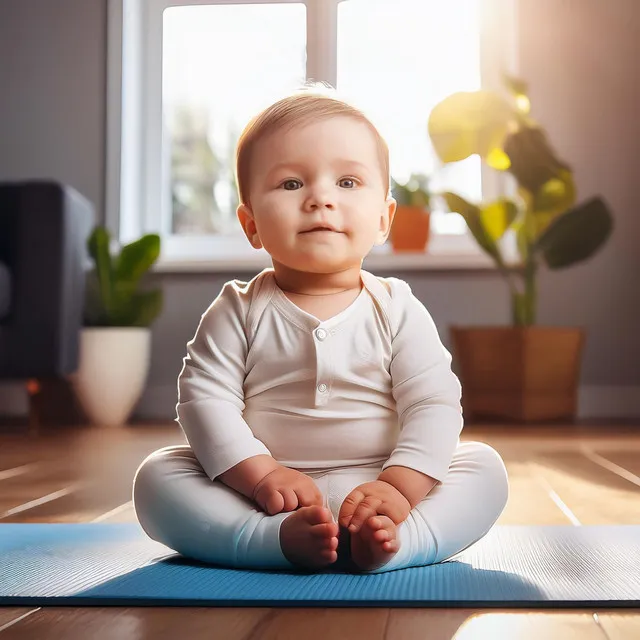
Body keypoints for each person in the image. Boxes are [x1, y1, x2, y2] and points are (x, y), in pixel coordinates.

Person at [133, 87, 509, 573]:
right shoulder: (237, 310)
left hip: (379, 486)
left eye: (348, 182)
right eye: (291, 184)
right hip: (265, 496)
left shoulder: (396, 307)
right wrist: (260, 474)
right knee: (159, 476)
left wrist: (400, 486)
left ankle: (398, 543)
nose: (320, 199)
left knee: (483, 468)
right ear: (251, 225)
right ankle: (270, 542)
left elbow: (433, 403)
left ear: (384, 219)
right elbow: (205, 401)